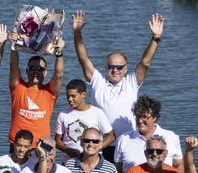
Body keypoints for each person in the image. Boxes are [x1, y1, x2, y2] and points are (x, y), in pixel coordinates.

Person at [71, 11, 165, 143]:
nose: (115, 70)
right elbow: (83, 58)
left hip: (128, 142)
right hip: (100, 145)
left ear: (126, 69)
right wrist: (77, 33)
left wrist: (155, 38)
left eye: (119, 67)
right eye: (111, 67)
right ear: (106, 67)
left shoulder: (131, 82)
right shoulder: (98, 80)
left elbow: (145, 62)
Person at [7, 32, 63, 145]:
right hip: (17, 146)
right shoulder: (18, 87)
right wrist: (14, 45)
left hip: (40, 146)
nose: (36, 72)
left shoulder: (49, 91)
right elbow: (13, 67)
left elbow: (59, 75)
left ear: (45, 73)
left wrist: (59, 53)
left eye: (40, 69)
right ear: (27, 71)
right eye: (33, 68)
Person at [115, 96, 184, 173]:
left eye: (145, 117)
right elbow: (118, 169)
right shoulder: (123, 139)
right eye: (137, 116)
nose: (140, 121)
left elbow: (178, 164)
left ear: (155, 117)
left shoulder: (171, 137)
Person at [54, 79, 115, 160]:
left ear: (83, 95)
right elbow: (57, 141)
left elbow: (111, 136)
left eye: (73, 96)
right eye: (68, 96)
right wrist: (68, 151)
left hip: (93, 161)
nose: (69, 99)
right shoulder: (63, 114)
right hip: (69, 162)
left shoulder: (97, 113)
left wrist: (94, 150)